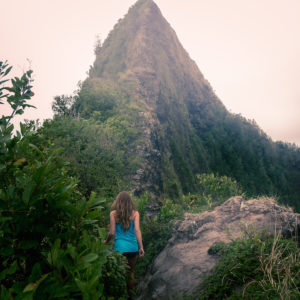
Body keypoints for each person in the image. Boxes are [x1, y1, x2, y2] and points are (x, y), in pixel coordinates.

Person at [104, 191, 144, 296]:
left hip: (119, 249)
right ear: (130, 201)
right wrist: (141, 247)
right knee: (130, 273)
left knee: (121, 274)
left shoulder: (113, 214)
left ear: (118, 201)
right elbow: (137, 230)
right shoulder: (135, 213)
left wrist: (106, 241)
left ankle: (121, 295)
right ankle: (130, 294)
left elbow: (112, 232)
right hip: (132, 248)